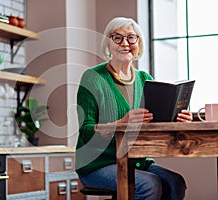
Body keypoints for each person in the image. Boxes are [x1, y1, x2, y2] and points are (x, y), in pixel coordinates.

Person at [75, 17, 192, 200]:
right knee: (150, 184)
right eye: (117, 38)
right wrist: (121, 123)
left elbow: (153, 121)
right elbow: (86, 131)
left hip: (137, 162)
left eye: (131, 37)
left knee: (175, 182)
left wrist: (177, 119)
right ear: (108, 43)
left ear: (139, 43)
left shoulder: (145, 78)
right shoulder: (93, 78)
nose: (125, 43)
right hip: (98, 164)